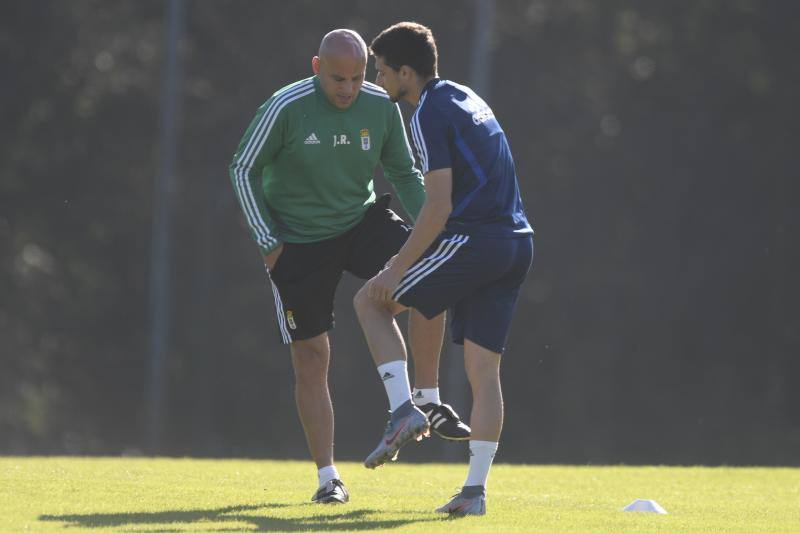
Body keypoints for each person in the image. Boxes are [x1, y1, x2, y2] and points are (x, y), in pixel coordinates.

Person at [227, 29, 470, 505]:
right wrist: (268, 242)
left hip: (360, 222)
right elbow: (242, 169)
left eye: (358, 78)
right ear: (317, 67)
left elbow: (402, 169)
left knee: (429, 278)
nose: (348, 89)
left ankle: (417, 402)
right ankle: (328, 479)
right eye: (338, 79)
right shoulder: (285, 106)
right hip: (296, 241)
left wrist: (429, 232)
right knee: (311, 359)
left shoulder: (380, 104)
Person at [355, 22, 534, 516]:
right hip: (518, 242)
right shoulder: (462, 95)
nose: (378, 79)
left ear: (405, 73)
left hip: (478, 240)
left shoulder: (426, 112)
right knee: (484, 372)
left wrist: (396, 267)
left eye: (382, 70)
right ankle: (474, 492)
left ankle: (404, 411)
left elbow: (437, 207)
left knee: (370, 300)